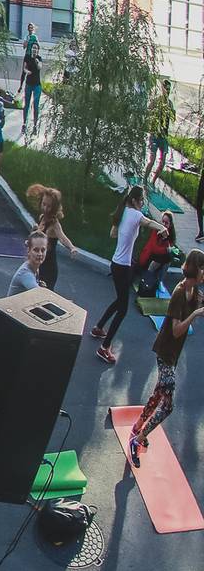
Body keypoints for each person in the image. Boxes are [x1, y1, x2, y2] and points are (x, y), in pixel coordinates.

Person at [128, 249, 200, 468]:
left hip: (173, 355)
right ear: (196, 269)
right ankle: (137, 440)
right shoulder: (179, 292)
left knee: (159, 393)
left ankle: (137, 426)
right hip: (165, 353)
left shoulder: (194, 290)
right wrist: (195, 314)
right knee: (168, 406)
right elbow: (177, 331)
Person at [94, 186, 150, 365]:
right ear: (134, 200)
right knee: (123, 308)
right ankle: (104, 347)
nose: (142, 203)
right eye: (141, 200)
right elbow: (149, 223)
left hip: (116, 264)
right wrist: (163, 229)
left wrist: (124, 232)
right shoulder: (135, 214)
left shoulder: (123, 211)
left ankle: (98, 327)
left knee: (120, 300)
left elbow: (112, 233)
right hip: (123, 267)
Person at [27, 184, 73, 290]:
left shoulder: (54, 224)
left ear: (54, 208)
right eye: (44, 204)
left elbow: (62, 237)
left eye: (49, 206)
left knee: (44, 292)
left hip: (48, 267)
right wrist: (33, 233)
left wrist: (71, 247)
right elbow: (37, 238)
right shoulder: (41, 217)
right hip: (38, 263)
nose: (45, 208)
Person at [136, 210, 178, 298]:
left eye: (166, 223)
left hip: (160, 258)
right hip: (148, 256)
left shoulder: (170, 234)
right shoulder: (156, 231)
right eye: (163, 221)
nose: (164, 224)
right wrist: (166, 248)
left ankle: (159, 281)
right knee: (166, 256)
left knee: (168, 257)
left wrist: (166, 240)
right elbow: (154, 248)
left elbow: (169, 248)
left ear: (170, 225)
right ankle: (147, 281)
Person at [147, 79, 176, 184]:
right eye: (166, 89)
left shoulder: (170, 103)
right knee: (152, 160)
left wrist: (172, 113)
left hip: (163, 136)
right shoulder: (156, 100)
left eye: (169, 89)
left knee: (162, 162)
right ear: (162, 89)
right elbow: (149, 111)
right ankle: (145, 180)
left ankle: (153, 182)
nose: (167, 91)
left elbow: (173, 118)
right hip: (155, 134)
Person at [9, 231, 49, 295]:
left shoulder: (35, 268)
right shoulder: (25, 273)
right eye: (36, 250)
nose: (40, 254)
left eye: (43, 250)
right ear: (28, 250)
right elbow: (40, 294)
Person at [19, 43, 44, 134]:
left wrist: (36, 61)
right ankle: (24, 124)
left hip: (37, 85)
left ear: (38, 50)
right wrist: (27, 71)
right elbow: (24, 68)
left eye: (36, 48)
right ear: (31, 49)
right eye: (33, 48)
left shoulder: (39, 58)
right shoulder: (27, 57)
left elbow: (40, 67)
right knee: (26, 104)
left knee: (36, 105)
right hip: (28, 84)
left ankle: (35, 126)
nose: (34, 49)